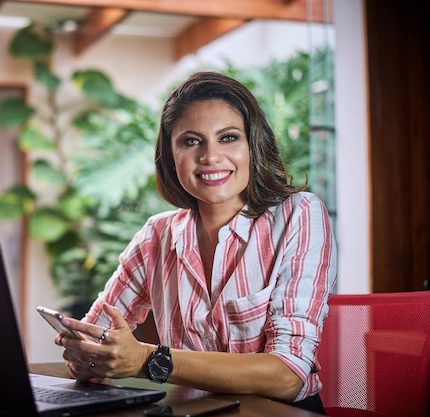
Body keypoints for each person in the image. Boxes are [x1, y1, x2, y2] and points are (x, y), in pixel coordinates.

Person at [55, 71, 337, 414]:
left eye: (228, 138)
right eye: (191, 141)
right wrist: (87, 358)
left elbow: (288, 375)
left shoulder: (299, 215)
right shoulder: (156, 235)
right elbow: (93, 340)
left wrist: (148, 359)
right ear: (171, 156)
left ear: (253, 145)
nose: (210, 157)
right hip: (195, 411)